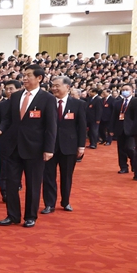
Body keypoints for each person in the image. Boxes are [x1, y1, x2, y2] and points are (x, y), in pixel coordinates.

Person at [0, 65, 58, 228]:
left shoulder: (47, 98)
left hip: (35, 148)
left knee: (33, 184)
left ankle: (30, 216)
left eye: (28, 75)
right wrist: (0, 129)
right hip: (13, 146)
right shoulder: (16, 96)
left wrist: (49, 149)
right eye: (24, 75)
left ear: (39, 78)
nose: (24, 78)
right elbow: (7, 119)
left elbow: (51, 126)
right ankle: (12, 215)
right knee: (11, 183)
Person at [41, 76, 87, 213]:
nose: (54, 88)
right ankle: (49, 203)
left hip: (69, 146)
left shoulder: (78, 104)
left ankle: (65, 201)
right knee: (48, 175)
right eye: (53, 86)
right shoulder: (46, 102)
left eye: (57, 86)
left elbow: (82, 126)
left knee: (67, 176)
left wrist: (81, 146)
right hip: (49, 146)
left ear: (67, 87)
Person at [111, 84, 136, 174]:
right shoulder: (118, 103)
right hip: (120, 127)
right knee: (121, 149)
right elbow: (114, 116)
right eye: (123, 89)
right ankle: (123, 167)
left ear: (132, 91)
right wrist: (111, 129)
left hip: (131, 129)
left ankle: (134, 163)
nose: (125, 91)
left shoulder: (135, 102)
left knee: (130, 148)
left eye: (127, 89)